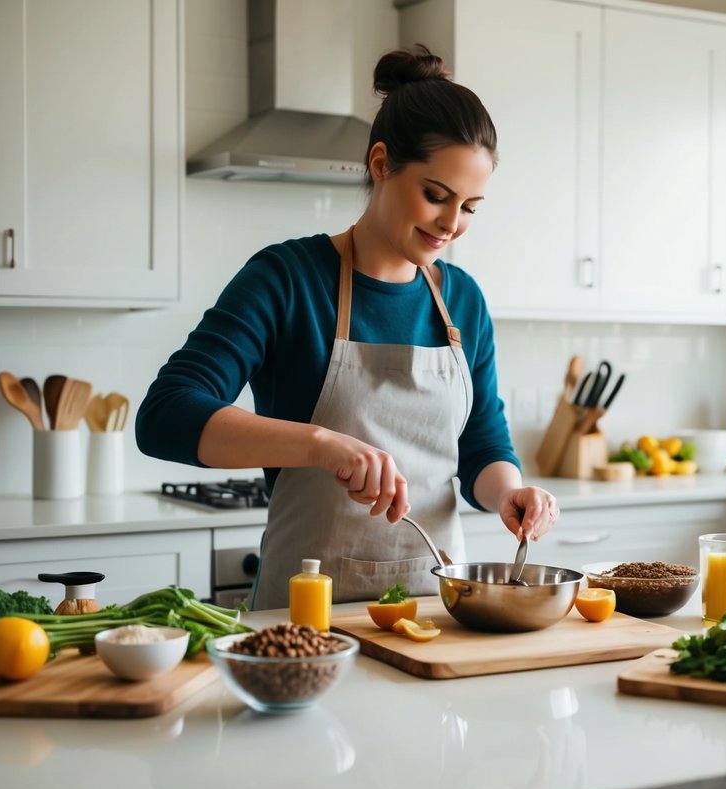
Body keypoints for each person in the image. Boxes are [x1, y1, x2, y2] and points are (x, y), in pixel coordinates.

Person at [136, 45, 559, 609]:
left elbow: (481, 443)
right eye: (436, 196)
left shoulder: (462, 301)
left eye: (470, 207)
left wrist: (512, 492)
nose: (451, 225)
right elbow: (164, 414)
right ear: (381, 164)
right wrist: (318, 444)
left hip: (436, 614)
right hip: (303, 621)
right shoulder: (286, 279)